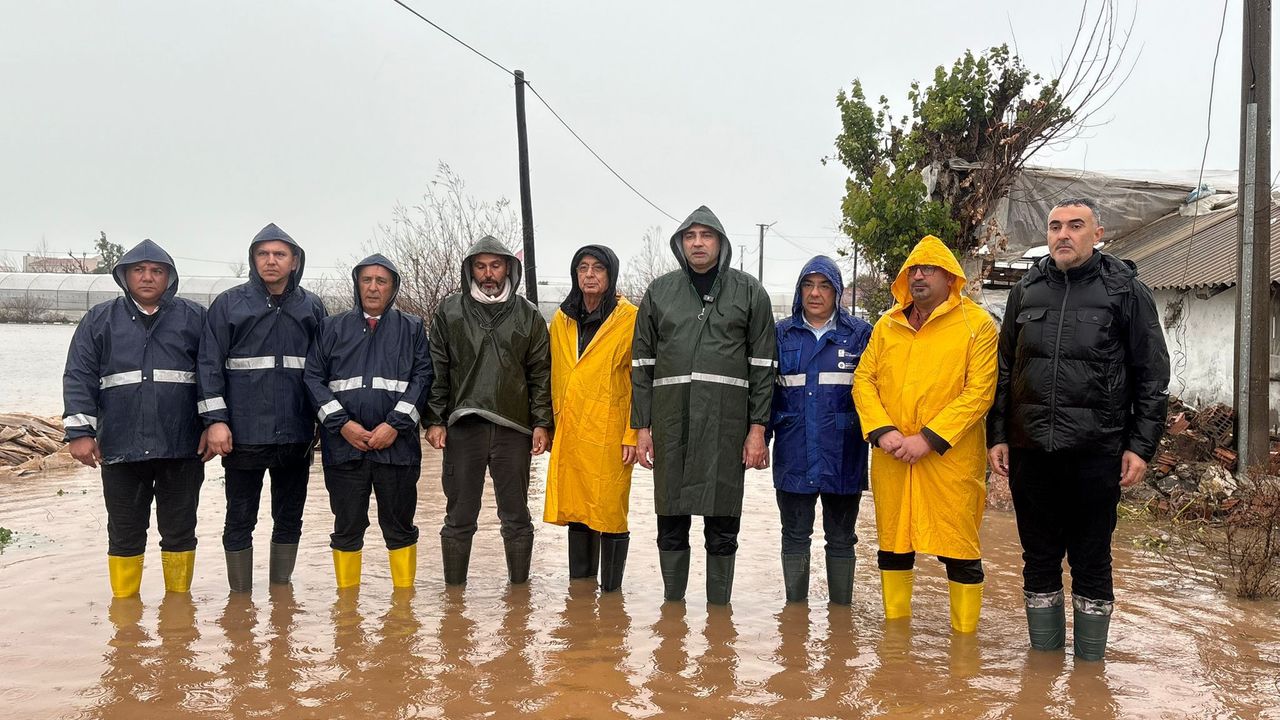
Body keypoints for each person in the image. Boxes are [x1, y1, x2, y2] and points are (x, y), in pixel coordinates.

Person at [987, 198, 1169, 661]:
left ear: (1097, 234)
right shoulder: (1026, 289)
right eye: (1054, 226)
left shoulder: (1125, 290)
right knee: (1038, 559)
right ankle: (1043, 670)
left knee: (1092, 561)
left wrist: (1140, 446)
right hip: (1032, 451)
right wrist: (1000, 434)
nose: (1062, 234)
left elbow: (1152, 374)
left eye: (1075, 226)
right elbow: (1004, 368)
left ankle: (1091, 670)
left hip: (1095, 452)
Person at [852, 235, 998, 632]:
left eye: (927, 268)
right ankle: (895, 637)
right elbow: (864, 380)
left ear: (949, 277)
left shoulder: (977, 325)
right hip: (892, 455)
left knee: (959, 548)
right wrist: (882, 431)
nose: (918, 276)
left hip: (950, 459)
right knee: (894, 544)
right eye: (912, 270)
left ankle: (964, 641)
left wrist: (928, 439)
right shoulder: (886, 326)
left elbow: (979, 392)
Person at [631, 205, 775, 605]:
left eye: (706, 236)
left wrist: (758, 430)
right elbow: (641, 365)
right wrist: (642, 428)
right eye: (690, 236)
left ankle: (718, 615)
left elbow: (763, 367)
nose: (698, 243)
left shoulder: (750, 291)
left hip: (726, 425)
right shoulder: (660, 292)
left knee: (723, 520)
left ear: (720, 243)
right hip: (671, 423)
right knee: (671, 520)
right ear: (681, 244)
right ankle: (672, 613)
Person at [62, 239, 209, 597]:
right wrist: (80, 432)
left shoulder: (195, 318)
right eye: (139, 270)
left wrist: (213, 423)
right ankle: (125, 616)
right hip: (120, 446)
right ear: (124, 276)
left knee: (179, 531)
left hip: (181, 446)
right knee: (125, 533)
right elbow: (79, 375)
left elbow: (212, 374)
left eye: (157, 271)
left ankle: (178, 611)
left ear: (169, 277)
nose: (147, 278)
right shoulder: (100, 320)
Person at [198, 223, 327, 593]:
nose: (270, 261)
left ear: (294, 261)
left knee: (289, 517)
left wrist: (323, 421)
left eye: (279, 254)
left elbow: (324, 367)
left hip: (296, 433)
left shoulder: (312, 306)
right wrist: (215, 421)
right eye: (263, 254)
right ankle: (240, 601)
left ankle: (280, 594)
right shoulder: (229, 304)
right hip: (243, 435)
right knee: (240, 518)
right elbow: (209, 365)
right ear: (253, 260)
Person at [425, 236, 552, 586]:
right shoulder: (449, 310)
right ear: (470, 270)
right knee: (459, 515)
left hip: (514, 429)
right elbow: (438, 367)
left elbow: (540, 373)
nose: (488, 273)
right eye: (480, 266)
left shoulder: (528, 314)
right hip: (464, 426)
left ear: (509, 267)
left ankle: (519, 597)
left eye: (495, 265)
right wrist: (434, 418)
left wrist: (542, 422)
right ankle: (454, 598)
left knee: (515, 516)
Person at [304, 254, 433, 590]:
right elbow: (313, 379)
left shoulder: (413, 328)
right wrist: (342, 425)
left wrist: (395, 425)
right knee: (347, 527)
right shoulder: (331, 328)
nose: (373, 287)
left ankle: (402, 610)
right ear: (357, 284)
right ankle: (347, 612)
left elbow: (423, 379)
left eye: (381, 281)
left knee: (400, 526)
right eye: (367, 280)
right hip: (344, 449)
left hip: (397, 449)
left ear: (392, 287)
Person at [769, 256, 872, 605]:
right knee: (795, 535)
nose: (815, 293)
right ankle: (794, 612)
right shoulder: (780, 334)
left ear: (838, 291)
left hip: (843, 452)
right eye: (808, 285)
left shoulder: (860, 335)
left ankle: (840, 614)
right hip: (793, 450)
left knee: (842, 537)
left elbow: (876, 391)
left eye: (824, 285)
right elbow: (764, 394)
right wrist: (757, 437)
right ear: (799, 290)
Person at [542, 245, 638, 592]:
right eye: (582, 268)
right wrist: (548, 425)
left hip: (610, 428)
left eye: (597, 268)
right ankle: (580, 594)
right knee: (578, 509)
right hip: (570, 427)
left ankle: (612, 597)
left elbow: (639, 382)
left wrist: (633, 433)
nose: (590, 275)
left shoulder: (630, 319)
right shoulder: (562, 320)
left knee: (610, 510)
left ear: (610, 274)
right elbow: (550, 374)